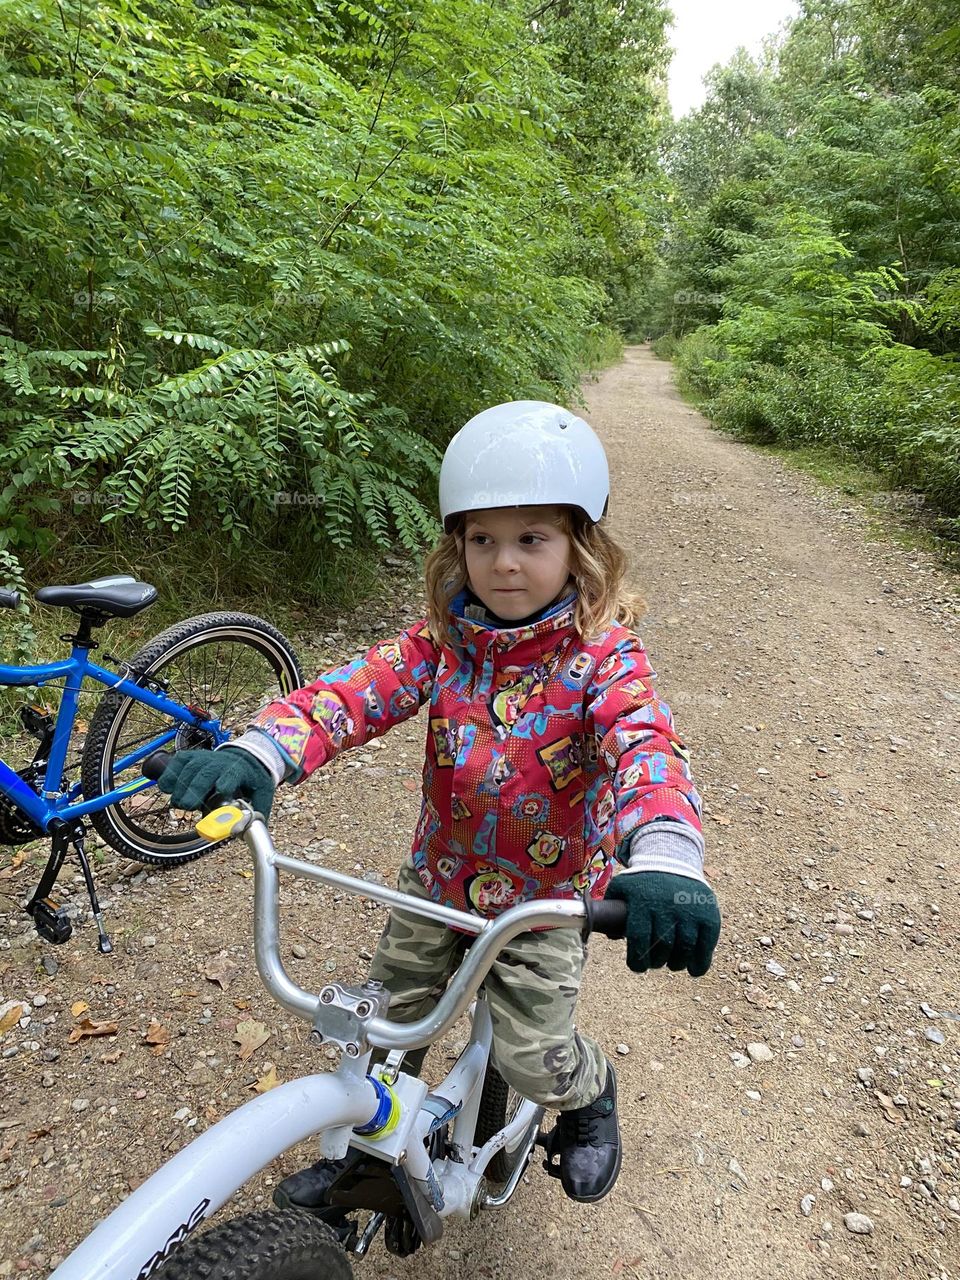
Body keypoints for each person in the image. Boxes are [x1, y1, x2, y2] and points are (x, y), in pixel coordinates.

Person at [156, 400, 721, 1208]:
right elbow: (353, 689)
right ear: (458, 545)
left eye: (532, 539)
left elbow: (646, 747)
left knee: (536, 1057)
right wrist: (260, 752)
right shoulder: (442, 641)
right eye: (482, 539)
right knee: (382, 1028)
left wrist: (667, 855)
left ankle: (592, 1095)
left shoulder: (604, 658)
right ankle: (362, 1148)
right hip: (435, 881)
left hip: (545, 903)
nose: (504, 563)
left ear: (580, 547)